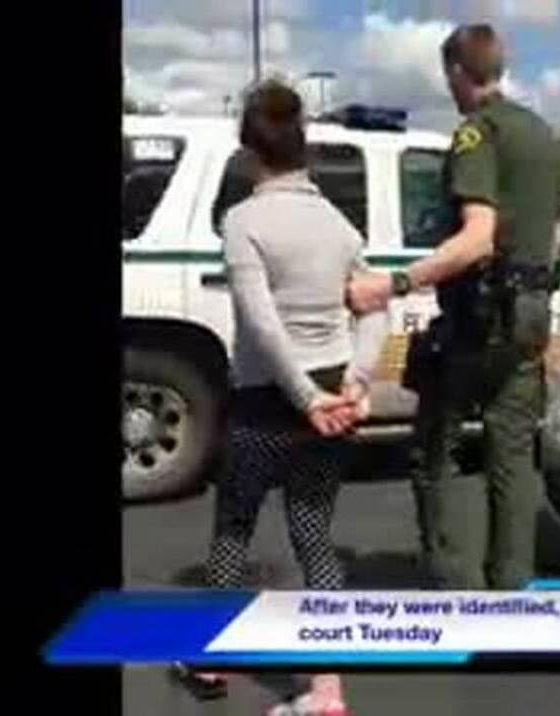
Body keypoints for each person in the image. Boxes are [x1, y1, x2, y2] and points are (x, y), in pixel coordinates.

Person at [173, 80, 385, 716]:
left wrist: (301, 396)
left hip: (267, 402)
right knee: (315, 536)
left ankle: (213, 661)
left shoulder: (242, 222)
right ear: (304, 147)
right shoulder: (340, 226)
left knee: (235, 529)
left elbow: (261, 323)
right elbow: (374, 304)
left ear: (249, 150)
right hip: (333, 394)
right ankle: (327, 693)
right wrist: (355, 383)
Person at [348, 24, 560, 590]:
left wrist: (392, 285)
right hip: (530, 316)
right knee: (511, 455)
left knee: (435, 450)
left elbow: (476, 239)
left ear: (457, 73)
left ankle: (451, 584)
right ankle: (510, 589)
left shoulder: (478, 134)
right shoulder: (539, 132)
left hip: (479, 318)